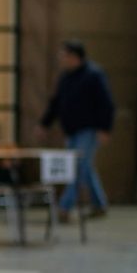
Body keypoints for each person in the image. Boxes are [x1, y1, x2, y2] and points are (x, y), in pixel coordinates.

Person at [37, 40, 114, 221]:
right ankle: (100, 204)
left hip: (88, 130)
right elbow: (56, 103)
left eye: (64, 55)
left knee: (76, 168)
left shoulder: (94, 75)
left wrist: (105, 128)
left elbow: (106, 104)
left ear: (74, 57)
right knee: (86, 168)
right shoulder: (66, 77)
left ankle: (64, 207)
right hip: (71, 130)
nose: (61, 59)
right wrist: (44, 124)